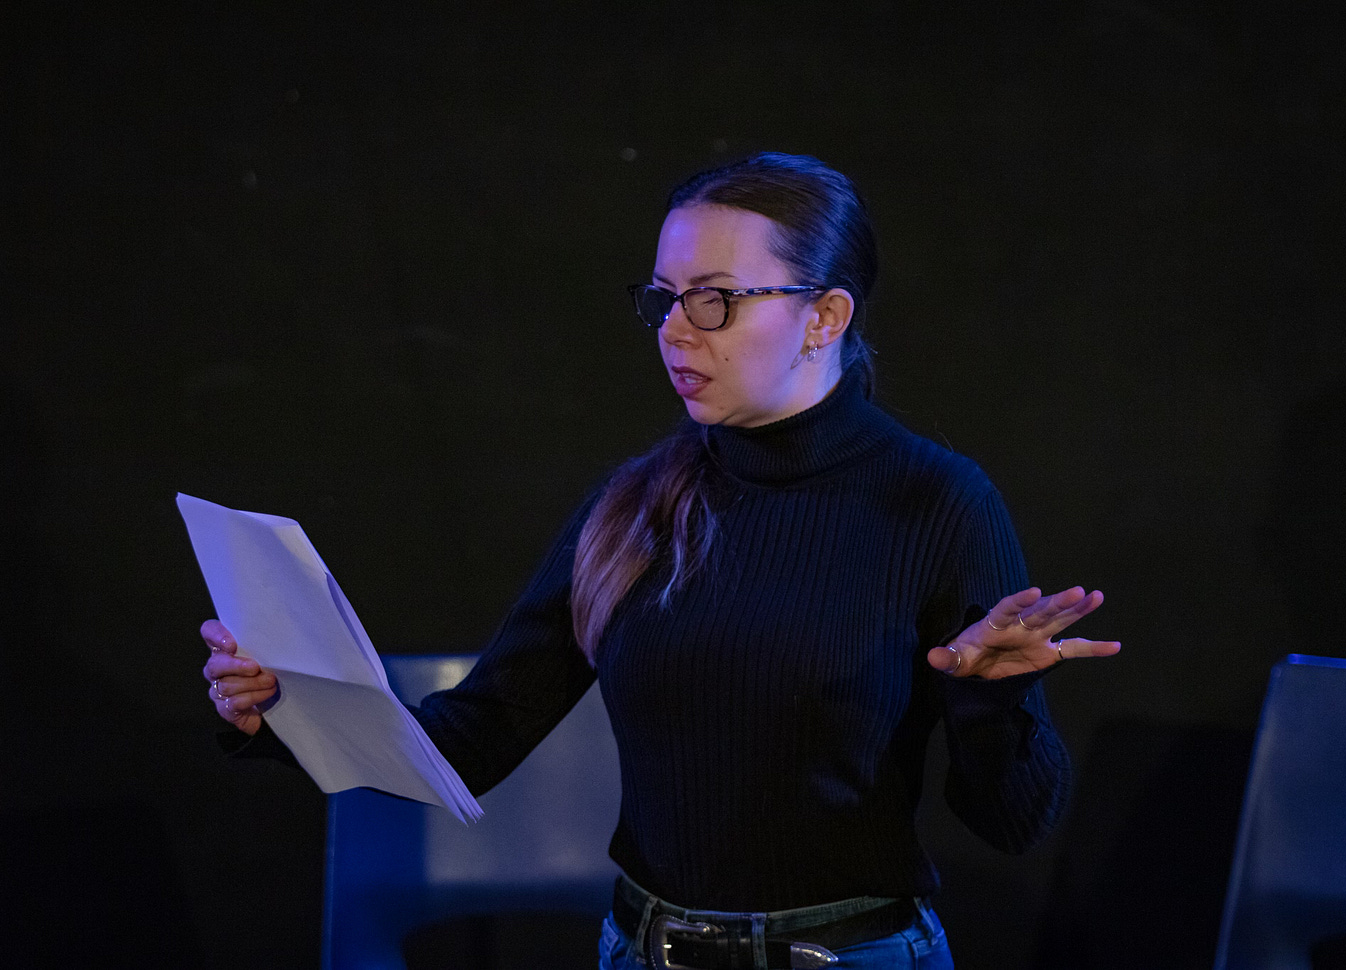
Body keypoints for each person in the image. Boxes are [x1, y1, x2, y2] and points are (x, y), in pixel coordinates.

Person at [201, 152, 1120, 970]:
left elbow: (1015, 823)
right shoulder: (635, 505)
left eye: (715, 298)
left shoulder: (938, 502)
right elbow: (471, 741)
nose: (676, 330)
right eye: (664, 299)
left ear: (824, 316)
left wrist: (990, 703)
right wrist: (284, 709)